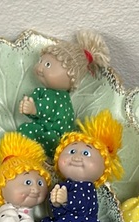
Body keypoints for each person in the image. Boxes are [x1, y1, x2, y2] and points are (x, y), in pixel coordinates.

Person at [39, 109, 123, 222]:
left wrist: (66, 199)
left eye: (86, 153)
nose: (77, 157)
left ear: (103, 168)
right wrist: (56, 203)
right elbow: (55, 210)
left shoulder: (87, 187)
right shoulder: (62, 185)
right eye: (71, 151)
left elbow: (83, 203)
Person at [18, 30, 110, 158]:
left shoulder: (58, 97)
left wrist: (34, 108)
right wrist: (30, 109)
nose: (40, 67)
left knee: (26, 131)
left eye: (48, 65)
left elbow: (48, 108)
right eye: (40, 61)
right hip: (51, 132)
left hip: (54, 136)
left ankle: (25, 154)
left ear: (70, 75)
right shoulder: (45, 92)